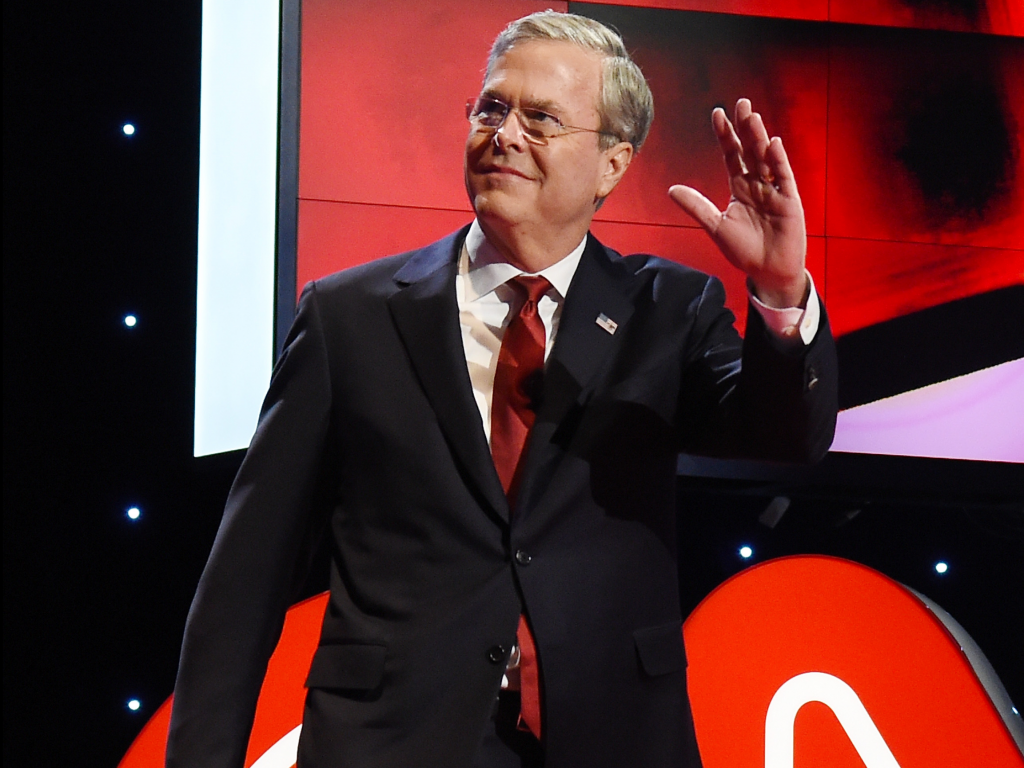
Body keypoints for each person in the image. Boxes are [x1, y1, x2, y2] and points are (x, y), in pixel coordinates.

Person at [166, 11, 837, 768]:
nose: (505, 134)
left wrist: (781, 290)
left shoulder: (666, 312)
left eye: (541, 118)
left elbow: (787, 438)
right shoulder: (345, 318)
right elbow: (242, 584)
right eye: (491, 107)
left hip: (609, 738)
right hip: (393, 742)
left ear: (612, 165)